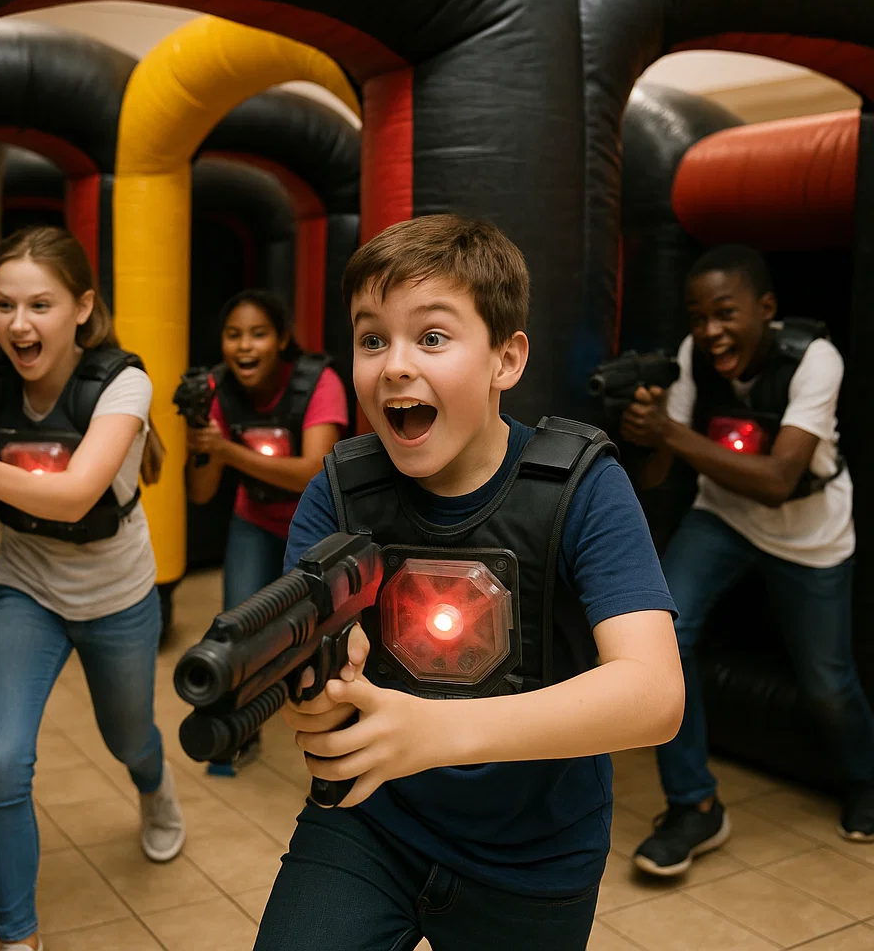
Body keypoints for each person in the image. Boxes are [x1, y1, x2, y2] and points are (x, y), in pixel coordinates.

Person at [252, 215, 685, 951]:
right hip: (370, 821)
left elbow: (654, 694)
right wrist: (318, 695)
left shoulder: (582, 487)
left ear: (505, 358)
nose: (394, 365)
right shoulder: (340, 492)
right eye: (371, 339)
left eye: (431, 337)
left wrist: (433, 732)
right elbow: (316, 655)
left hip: (534, 858)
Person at [0, 226, 185, 951]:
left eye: (39, 304)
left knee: (128, 737)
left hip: (117, 595)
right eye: (4, 304)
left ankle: (154, 786)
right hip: (27, 589)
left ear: (81, 307)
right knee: (3, 762)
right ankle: (19, 939)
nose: (18, 324)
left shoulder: (123, 383)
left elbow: (76, 495)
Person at [621, 243, 874, 878]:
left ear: (766, 309)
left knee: (828, 682)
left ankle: (866, 780)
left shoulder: (815, 359)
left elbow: (780, 478)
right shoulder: (691, 357)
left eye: (726, 313)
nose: (709, 331)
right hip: (724, 516)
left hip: (809, 532)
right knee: (663, 636)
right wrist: (644, 427)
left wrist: (673, 434)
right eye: (697, 316)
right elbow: (657, 474)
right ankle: (694, 804)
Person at [186, 289, 348, 773]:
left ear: (280, 339)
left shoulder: (319, 382)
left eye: (258, 334)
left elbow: (311, 474)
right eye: (233, 335)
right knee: (236, 628)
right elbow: (200, 492)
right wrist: (200, 442)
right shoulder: (214, 390)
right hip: (253, 520)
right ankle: (237, 731)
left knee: (324, 633)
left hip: (319, 528)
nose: (244, 347)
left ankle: (335, 732)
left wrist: (229, 451)